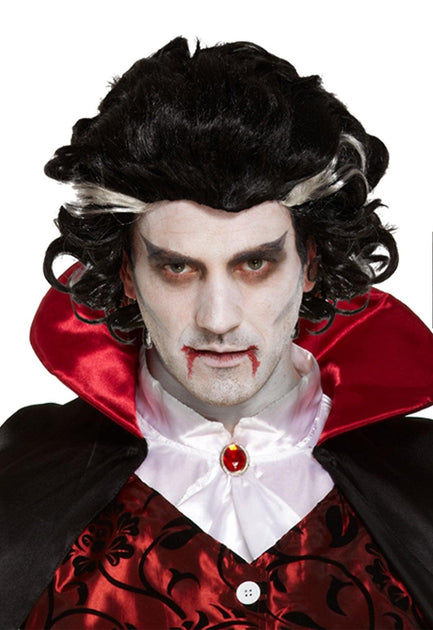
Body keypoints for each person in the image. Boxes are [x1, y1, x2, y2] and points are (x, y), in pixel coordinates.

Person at [1, 37, 433, 629]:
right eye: (177, 268)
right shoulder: (17, 487)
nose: (217, 319)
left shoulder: (422, 485)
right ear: (127, 273)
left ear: (309, 262)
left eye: (254, 263)